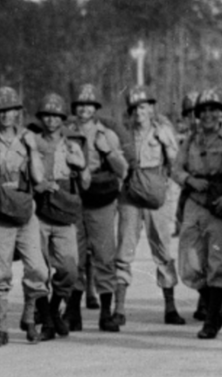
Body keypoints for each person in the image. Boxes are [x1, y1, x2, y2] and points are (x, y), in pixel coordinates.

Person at [0, 86, 48, 346]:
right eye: (0, 111)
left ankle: (29, 317)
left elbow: (38, 177)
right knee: (0, 273)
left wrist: (32, 150)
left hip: (24, 210)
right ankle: (1, 328)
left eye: (11, 110)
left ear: (18, 113)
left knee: (38, 269)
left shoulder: (27, 139)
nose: (5, 116)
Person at [175, 88, 222, 339]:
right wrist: (189, 180)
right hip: (194, 201)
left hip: (219, 203)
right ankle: (211, 301)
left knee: (219, 261)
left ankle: (212, 319)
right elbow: (176, 169)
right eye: (203, 110)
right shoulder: (191, 140)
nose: (208, 115)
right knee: (189, 263)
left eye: (214, 110)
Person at [116, 85, 183, 326]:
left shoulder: (162, 131)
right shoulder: (124, 134)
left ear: (151, 108)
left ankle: (170, 307)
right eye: (134, 108)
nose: (139, 112)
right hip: (130, 194)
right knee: (124, 250)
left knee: (163, 249)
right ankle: (119, 309)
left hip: (156, 195)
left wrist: (169, 192)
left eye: (143, 107)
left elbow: (175, 163)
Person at [66, 84, 128, 333]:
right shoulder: (67, 133)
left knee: (104, 254)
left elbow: (122, 170)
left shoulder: (107, 135)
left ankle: (105, 312)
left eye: (89, 105)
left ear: (96, 108)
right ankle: (73, 312)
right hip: (74, 197)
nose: (84, 109)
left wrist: (108, 151)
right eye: (80, 105)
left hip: (100, 199)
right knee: (74, 255)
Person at [30, 93, 85, 340]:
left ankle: (53, 310)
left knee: (69, 270)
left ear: (63, 119)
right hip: (39, 213)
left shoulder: (72, 145)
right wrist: (39, 186)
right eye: (47, 115)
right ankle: (48, 321)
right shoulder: (32, 143)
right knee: (38, 269)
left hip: (63, 214)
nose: (51, 120)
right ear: (41, 118)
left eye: (56, 116)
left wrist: (80, 166)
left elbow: (85, 183)